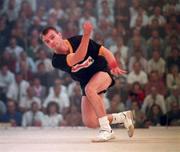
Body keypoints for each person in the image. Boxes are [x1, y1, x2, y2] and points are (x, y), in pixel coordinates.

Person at [40, 21, 134, 142]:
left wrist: (114, 65)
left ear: (60, 34)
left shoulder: (78, 40)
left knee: (90, 89)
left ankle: (107, 130)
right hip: (86, 82)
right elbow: (78, 57)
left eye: (52, 37)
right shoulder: (56, 61)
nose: (51, 42)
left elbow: (104, 51)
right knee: (91, 122)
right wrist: (87, 35)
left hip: (102, 72)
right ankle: (123, 117)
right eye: (47, 41)